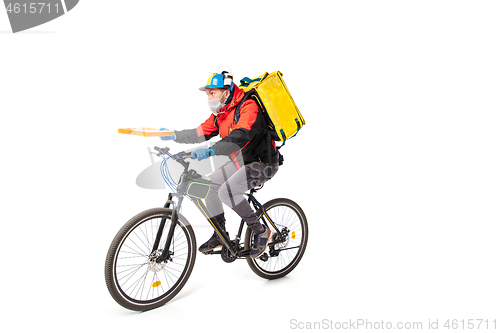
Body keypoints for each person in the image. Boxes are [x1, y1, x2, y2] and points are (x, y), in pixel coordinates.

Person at [159, 69, 279, 259]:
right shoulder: (221, 113)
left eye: (212, 92)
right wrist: (175, 135)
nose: (209, 97)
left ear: (227, 91)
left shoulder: (249, 106)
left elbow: (241, 135)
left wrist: (212, 150)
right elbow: (200, 132)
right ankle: (220, 234)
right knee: (208, 187)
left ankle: (260, 230)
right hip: (239, 162)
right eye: (207, 93)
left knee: (227, 191)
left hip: (262, 163)